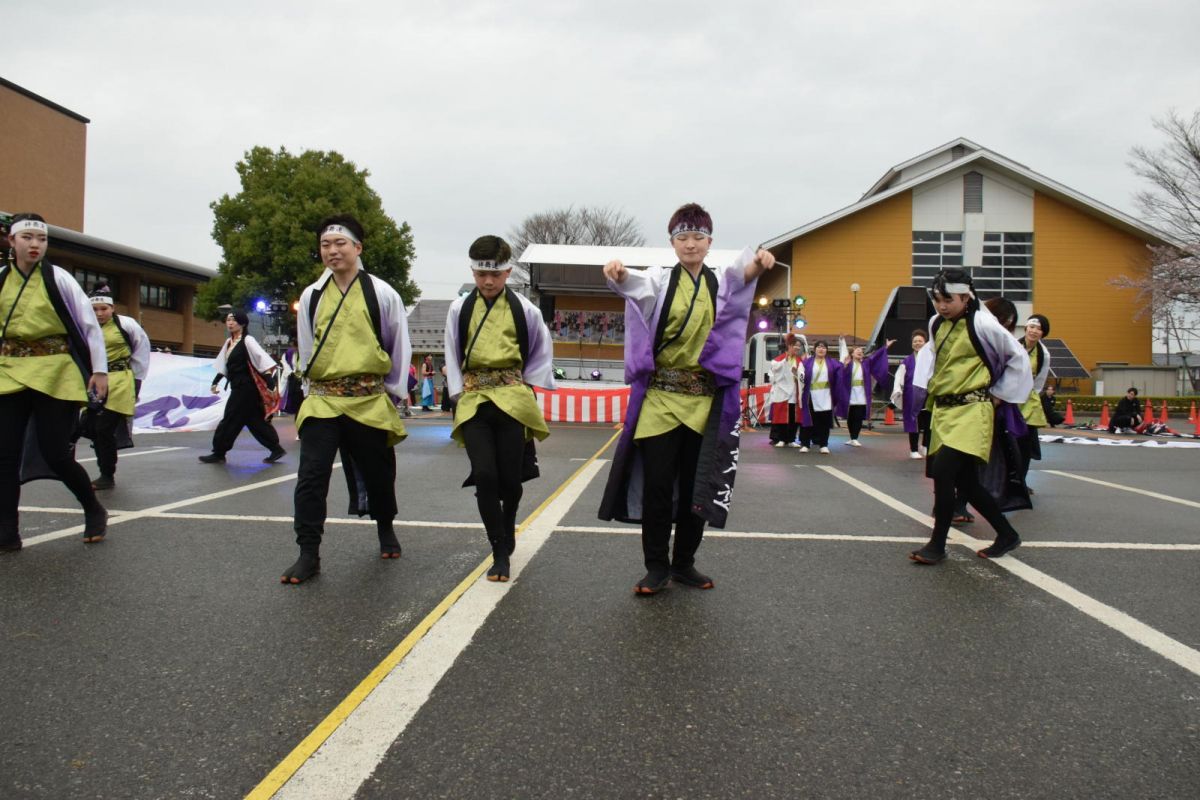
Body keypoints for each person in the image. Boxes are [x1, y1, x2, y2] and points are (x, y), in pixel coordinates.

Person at [599, 203, 775, 594]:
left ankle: (684, 563)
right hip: (661, 400)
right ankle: (656, 566)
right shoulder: (659, 281)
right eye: (683, 237)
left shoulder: (721, 282)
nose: (690, 244)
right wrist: (620, 273)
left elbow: (744, 275)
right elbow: (634, 286)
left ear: (710, 243)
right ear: (672, 243)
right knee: (658, 486)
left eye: (698, 237)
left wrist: (761, 263)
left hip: (705, 403)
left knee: (698, 486)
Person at [283, 214, 412, 584]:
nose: (332, 251)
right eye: (325, 245)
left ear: (358, 247)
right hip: (323, 399)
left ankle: (385, 525)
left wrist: (392, 392)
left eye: (340, 243)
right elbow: (307, 350)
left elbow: (396, 345)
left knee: (378, 472)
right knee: (311, 476)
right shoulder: (311, 296)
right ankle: (308, 552)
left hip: (368, 398)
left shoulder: (382, 293)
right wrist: (308, 394)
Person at [444, 236, 556, 581]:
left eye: (494, 274)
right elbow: (451, 350)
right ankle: (498, 550)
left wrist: (525, 385)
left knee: (510, 478)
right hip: (475, 399)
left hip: (512, 397)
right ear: (473, 271)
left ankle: (507, 526)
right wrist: (458, 393)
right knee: (486, 474)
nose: (488, 282)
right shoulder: (459, 308)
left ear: (508, 271)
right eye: (480, 274)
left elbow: (539, 351)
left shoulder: (526, 309)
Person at [1, 213, 109, 550]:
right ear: (11, 241)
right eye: (27, 237)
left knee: (54, 452)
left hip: (55, 371)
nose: (35, 244)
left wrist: (99, 370)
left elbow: (88, 326)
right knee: (4, 455)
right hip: (9, 371)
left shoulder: (58, 278)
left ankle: (93, 508)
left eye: (41, 239)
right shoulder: (2, 279)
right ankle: (7, 530)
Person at [909, 268, 1032, 564]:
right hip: (944, 411)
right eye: (937, 298)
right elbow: (931, 361)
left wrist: (1000, 393)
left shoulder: (983, 323)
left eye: (948, 299)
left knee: (943, 473)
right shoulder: (937, 322)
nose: (941, 305)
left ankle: (937, 545)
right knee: (966, 484)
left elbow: (1019, 357)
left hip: (972, 409)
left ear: (966, 296)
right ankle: (1006, 534)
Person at [81, 286, 151, 489]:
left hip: (120, 379)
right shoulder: (84, 326)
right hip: (95, 381)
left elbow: (141, 352)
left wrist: (137, 382)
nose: (99, 314)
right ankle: (103, 469)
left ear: (112, 307)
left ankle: (107, 475)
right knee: (92, 428)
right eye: (94, 309)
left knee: (105, 428)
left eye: (103, 308)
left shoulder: (126, 324)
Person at [198, 310, 285, 464]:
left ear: (243, 323)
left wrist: (269, 382)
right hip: (238, 386)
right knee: (254, 421)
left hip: (246, 387)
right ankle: (276, 449)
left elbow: (261, 360)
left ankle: (219, 452)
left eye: (234, 320)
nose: (230, 323)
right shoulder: (229, 342)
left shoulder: (248, 340)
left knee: (230, 418)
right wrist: (216, 381)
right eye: (228, 320)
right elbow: (226, 365)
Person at [837, 337, 893, 447]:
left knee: (858, 416)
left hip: (861, 394)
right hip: (850, 394)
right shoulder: (848, 364)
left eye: (861, 351)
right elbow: (840, 375)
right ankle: (852, 437)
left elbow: (875, 357)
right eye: (857, 351)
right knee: (850, 417)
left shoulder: (866, 364)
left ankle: (855, 437)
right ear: (852, 354)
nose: (860, 352)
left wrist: (885, 347)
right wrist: (845, 365)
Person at [1017, 314, 1052, 489]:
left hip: (1028, 398)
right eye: (1032, 327)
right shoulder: (1013, 345)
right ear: (1025, 328)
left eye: (1039, 329)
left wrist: (1030, 395)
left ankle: (1021, 480)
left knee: (1025, 442)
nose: (1034, 331)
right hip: (1009, 396)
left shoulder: (1043, 354)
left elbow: (1040, 380)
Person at [798, 340, 844, 454]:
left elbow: (842, 368)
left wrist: (846, 363)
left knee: (824, 421)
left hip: (826, 395)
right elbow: (800, 377)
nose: (821, 349)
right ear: (814, 349)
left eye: (823, 347)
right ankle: (805, 444)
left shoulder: (833, 363)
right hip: (810, 395)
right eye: (819, 347)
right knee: (808, 420)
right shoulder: (806, 363)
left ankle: (823, 445)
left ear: (826, 350)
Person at [890, 328, 928, 459]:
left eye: (920, 341)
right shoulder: (907, 361)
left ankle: (926, 444)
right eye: (915, 341)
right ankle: (913, 449)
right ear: (912, 344)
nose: (917, 343)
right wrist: (897, 390)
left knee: (930, 422)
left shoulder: (932, 359)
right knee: (914, 423)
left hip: (929, 394)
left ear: (926, 343)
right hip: (912, 395)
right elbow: (899, 377)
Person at [767, 332, 805, 447]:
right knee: (781, 415)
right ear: (789, 346)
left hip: (795, 391)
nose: (798, 348)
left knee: (795, 416)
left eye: (799, 345)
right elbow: (774, 372)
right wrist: (785, 360)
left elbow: (804, 375)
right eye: (796, 345)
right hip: (782, 391)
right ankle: (782, 439)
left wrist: (797, 374)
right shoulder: (778, 360)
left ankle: (792, 439)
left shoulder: (800, 361)